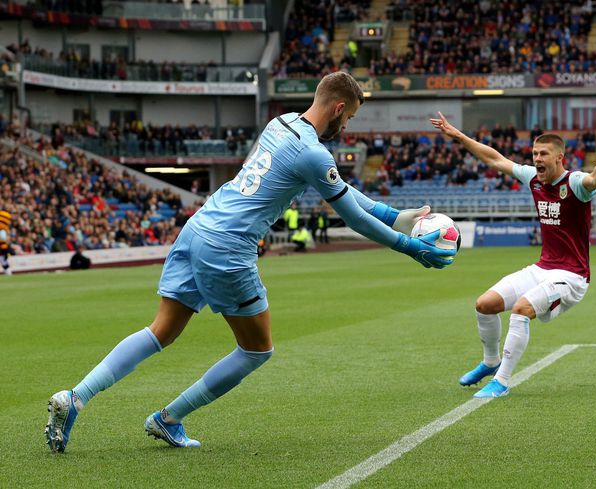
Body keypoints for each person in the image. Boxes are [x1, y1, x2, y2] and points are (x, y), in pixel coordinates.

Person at [45, 72, 456, 453]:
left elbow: (347, 193)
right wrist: (408, 245)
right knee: (257, 349)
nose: (345, 128)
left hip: (199, 227)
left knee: (162, 330)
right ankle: (168, 418)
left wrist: (396, 217)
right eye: (348, 119)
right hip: (228, 247)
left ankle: (75, 396)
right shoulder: (314, 153)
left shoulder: (281, 123)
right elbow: (350, 216)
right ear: (337, 108)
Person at [431, 111, 596, 398]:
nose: (536, 159)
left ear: (559, 157)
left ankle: (502, 381)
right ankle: (490, 361)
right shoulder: (532, 178)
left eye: (543, 154)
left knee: (521, 310)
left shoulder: (574, 183)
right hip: (543, 267)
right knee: (484, 304)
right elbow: (495, 159)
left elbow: (594, 180)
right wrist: (459, 136)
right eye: (534, 153)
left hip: (572, 276)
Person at [0, 210, 11, 276]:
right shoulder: (3, 231)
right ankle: (8, 271)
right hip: (2, 249)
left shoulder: (2, 231)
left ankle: (8, 271)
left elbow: (3, 241)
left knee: (3, 260)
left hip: (2, 249)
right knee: (3, 260)